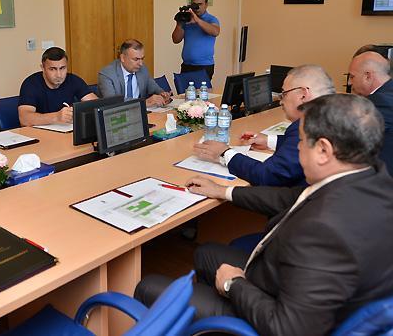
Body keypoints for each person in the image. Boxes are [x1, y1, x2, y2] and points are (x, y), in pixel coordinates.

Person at [135, 94, 393, 335]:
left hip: (274, 312)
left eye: (301, 141)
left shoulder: (324, 230)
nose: (297, 149)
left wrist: (234, 286)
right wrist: (223, 191)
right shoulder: (371, 178)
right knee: (206, 253)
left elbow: (288, 328)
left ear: (324, 151)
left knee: (149, 286)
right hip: (288, 282)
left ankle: (216, 322)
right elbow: (290, 197)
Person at [192, 64, 335, 186]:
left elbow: (267, 175)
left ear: (303, 95)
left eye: (284, 93)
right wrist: (269, 141)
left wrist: (224, 152)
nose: (281, 101)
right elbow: (294, 145)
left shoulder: (307, 127)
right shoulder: (331, 117)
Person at [18, 47, 97, 126]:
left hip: (65, 129)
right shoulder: (31, 84)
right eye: (52, 69)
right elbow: (24, 120)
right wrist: (56, 117)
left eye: (62, 68)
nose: (59, 75)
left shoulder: (73, 80)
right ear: (43, 68)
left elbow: (97, 105)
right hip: (39, 131)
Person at [348, 51, 393, 174]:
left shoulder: (380, 101)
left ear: (368, 76)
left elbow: (349, 133)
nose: (350, 83)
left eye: (352, 77)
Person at [97, 39, 171, 108]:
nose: (141, 63)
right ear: (122, 58)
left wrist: (162, 93)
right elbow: (112, 102)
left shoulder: (142, 69)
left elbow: (152, 86)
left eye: (142, 58)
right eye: (136, 59)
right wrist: (144, 103)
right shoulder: (107, 74)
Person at [171, 0, 220, 79]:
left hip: (204, 66)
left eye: (200, 4)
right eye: (195, 4)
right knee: (183, 88)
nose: (197, 7)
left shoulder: (211, 19)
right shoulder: (187, 19)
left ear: (206, 5)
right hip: (186, 65)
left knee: (200, 89)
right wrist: (179, 24)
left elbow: (215, 32)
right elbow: (176, 40)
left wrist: (197, 20)